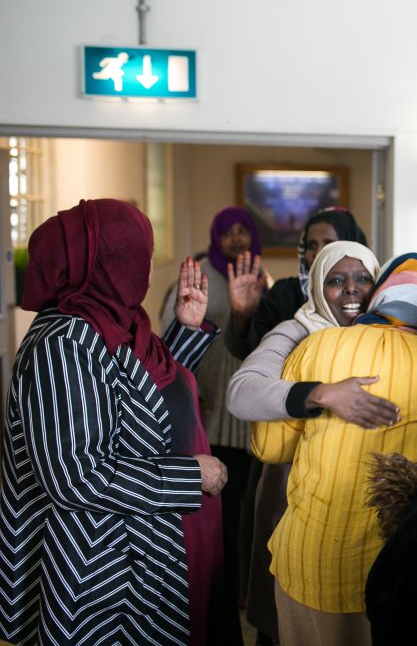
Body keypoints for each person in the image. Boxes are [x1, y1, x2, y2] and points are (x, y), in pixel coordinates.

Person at [0, 199, 229, 645]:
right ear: (107, 261)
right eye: (136, 252)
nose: (142, 266)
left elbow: (132, 405)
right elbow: (75, 475)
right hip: (93, 571)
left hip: (133, 556)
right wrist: (191, 475)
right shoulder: (63, 343)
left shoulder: (108, 321)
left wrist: (184, 331)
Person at [251, 253, 417, 646]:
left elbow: (269, 447)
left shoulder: (317, 345)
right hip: (404, 564)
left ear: (380, 293)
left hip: (314, 561)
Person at [226, 240, 399, 644]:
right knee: (291, 618)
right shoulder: (298, 329)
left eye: (363, 279)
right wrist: (320, 392)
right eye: (336, 280)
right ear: (319, 287)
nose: (351, 289)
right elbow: (241, 392)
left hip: (361, 499)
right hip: (293, 493)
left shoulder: (389, 335)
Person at [162, 205, 261, 625]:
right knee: (209, 508)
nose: (236, 238)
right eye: (228, 232)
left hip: (245, 413)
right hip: (205, 408)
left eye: (243, 230)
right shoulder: (197, 273)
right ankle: (209, 590)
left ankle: (237, 588)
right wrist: (186, 394)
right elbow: (170, 339)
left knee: (241, 509)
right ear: (215, 237)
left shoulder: (262, 280)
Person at [224, 206, 366, 360]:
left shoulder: (365, 294)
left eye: (328, 244)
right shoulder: (282, 294)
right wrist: (242, 315)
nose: (317, 253)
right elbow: (250, 352)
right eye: (311, 245)